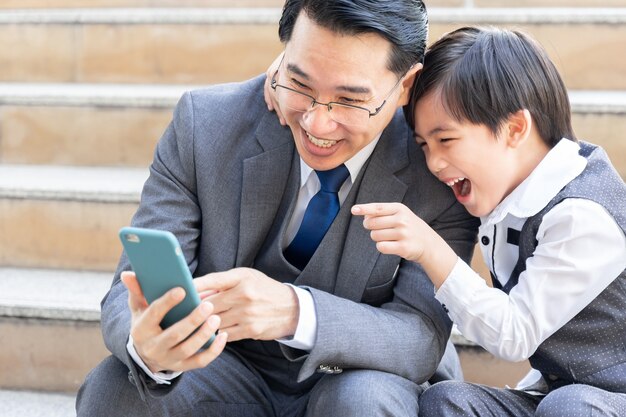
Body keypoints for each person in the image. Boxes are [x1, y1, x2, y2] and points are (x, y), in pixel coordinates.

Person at [76, 1, 479, 416]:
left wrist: (293, 312)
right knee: (116, 388)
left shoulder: (439, 166)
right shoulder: (205, 124)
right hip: (223, 366)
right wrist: (152, 348)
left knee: (361, 402)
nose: (317, 124)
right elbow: (127, 294)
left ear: (407, 85)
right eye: (300, 84)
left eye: (349, 100)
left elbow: (419, 336)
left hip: (360, 378)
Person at [353, 26, 626, 416]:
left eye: (446, 140)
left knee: (570, 405)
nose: (433, 163)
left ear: (515, 128)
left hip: (601, 401)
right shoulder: (509, 195)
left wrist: (433, 250)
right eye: (423, 146)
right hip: (564, 394)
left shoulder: (581, 215)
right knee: (447, 400)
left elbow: (515, 336)